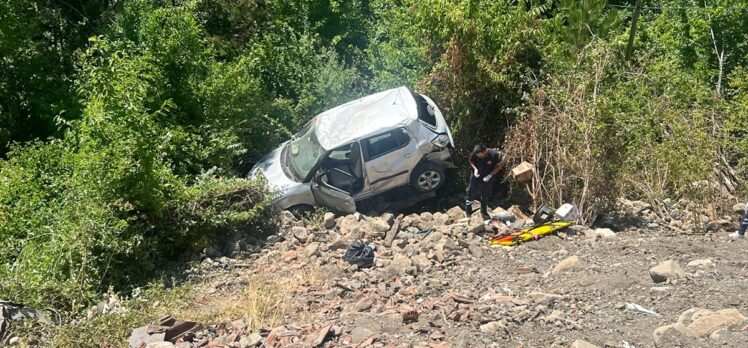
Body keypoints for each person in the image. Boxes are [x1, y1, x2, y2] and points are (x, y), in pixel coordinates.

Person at [465, 144, 501, 218]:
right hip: (476, 176)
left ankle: (483, 211)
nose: (478, 156)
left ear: (485, 151)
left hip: (487, 177)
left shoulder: (494, 155)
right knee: (470, 193)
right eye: (477, 155)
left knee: (485, 195)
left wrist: (490, 175)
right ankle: (468, 210)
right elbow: (471, 161)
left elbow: (498, 167)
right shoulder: (475, 154)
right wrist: (475, 169)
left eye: (480, 155)